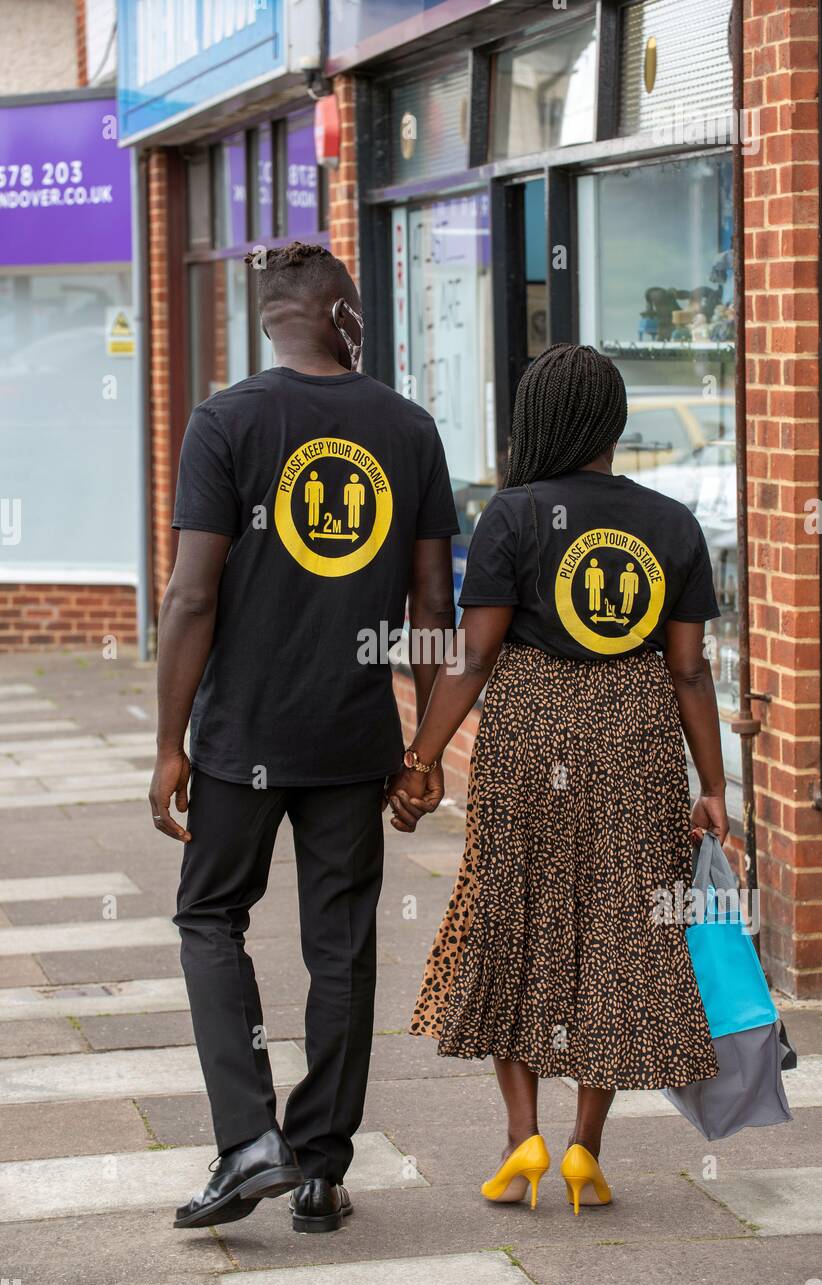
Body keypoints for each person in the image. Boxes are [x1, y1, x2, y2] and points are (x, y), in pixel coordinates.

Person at [149, 242, 458, 1233]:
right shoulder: (408, 430)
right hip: (352, 737)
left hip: (242, 735)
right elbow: (433, 605)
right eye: (358, 310)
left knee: (209, 919)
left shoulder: (227, 420)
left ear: (272, 319)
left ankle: (248, 1140)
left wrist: (170, 742)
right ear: (339, 315)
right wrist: (423, 752)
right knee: (343, 949)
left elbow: (192, 594)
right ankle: (320, 1166)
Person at [387, 344, 727, 1215]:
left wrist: (421, 761)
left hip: (531, 733)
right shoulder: (672, 522)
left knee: (517, 918)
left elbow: (471, 656)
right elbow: (691, 672)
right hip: (635, 739)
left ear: (537, 421)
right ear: (612, 425)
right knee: (620, 931)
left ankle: (520, 1139)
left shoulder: (514, 515)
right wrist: (713, 784)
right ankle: (587, 1150)